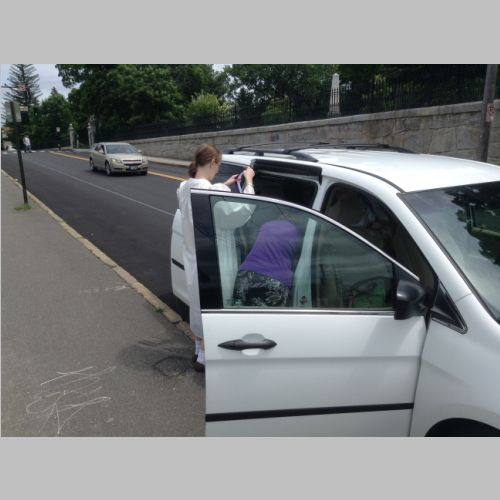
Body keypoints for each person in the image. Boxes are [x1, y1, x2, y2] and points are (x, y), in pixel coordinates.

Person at [177, 144, 255, 372]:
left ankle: (198, 349)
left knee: (198, 303)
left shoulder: (184, 187)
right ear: (212, 163)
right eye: (218, 165)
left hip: (193, 256)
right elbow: (239, 213)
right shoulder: (210, 192)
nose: (218, 170)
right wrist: (249, 182)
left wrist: (225, 184)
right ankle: (205, 358)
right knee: (215, 305)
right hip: (215, 256)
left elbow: (206, 193)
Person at [233, 211, 302, 307]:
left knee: (238, 313)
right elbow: (297, 259)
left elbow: (255, 243)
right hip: (275, 278)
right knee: (266, 316)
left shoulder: (266, 225)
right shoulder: (297, 233)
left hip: (246, 273)